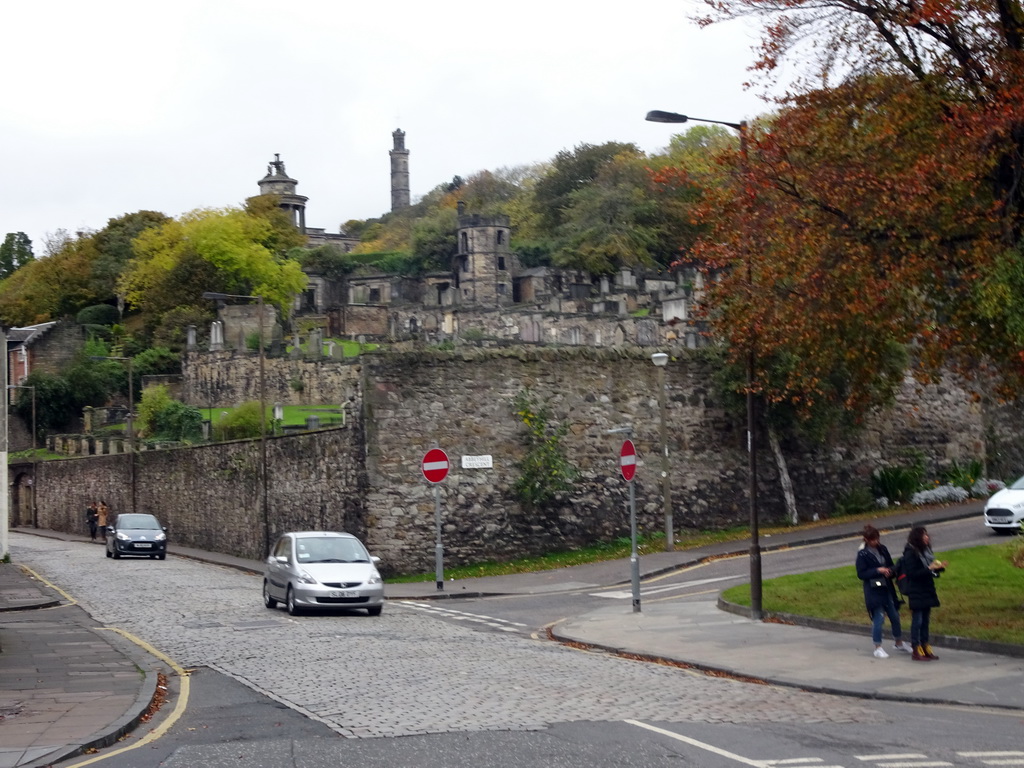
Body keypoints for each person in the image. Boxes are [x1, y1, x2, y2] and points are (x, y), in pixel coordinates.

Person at [855, 524, 913, 658]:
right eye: (873, 540)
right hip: (874, 588)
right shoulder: (863, 554)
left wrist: (890, 571)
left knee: (894, 615)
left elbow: (890, 564)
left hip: (887, 586)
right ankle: (877, 646)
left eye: (877, 539)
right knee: (879, 617)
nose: (876, 542)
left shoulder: (883, 549)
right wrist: (877, 570)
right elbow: (861, 573)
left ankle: (898, 642)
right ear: (866, 540)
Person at [902, 525, 948, 661]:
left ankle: (925, 644)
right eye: (924, 535)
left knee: (926, 619)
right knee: (918, 619)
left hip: (926, 588)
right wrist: (929, 568)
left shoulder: (925, 551)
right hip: (916, 590)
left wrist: (938, 568)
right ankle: (916, 648)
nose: (927, 537)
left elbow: (928, 570)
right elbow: (912, 573)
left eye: (927, 535)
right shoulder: (910, 553)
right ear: (918, 538)